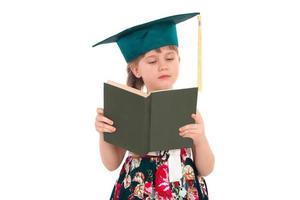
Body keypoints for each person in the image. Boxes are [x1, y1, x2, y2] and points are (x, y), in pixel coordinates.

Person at [93, 12, 214, 199]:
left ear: (179, 61)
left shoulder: (188, 109)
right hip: (138, 191)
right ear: (136, 69)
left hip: (182, 190)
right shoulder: (129, 108)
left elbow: (206, 168)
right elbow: (111, 163)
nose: (163, 66)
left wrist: (200, 139)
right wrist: (103, 132)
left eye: (170, 58)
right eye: (152, 61)